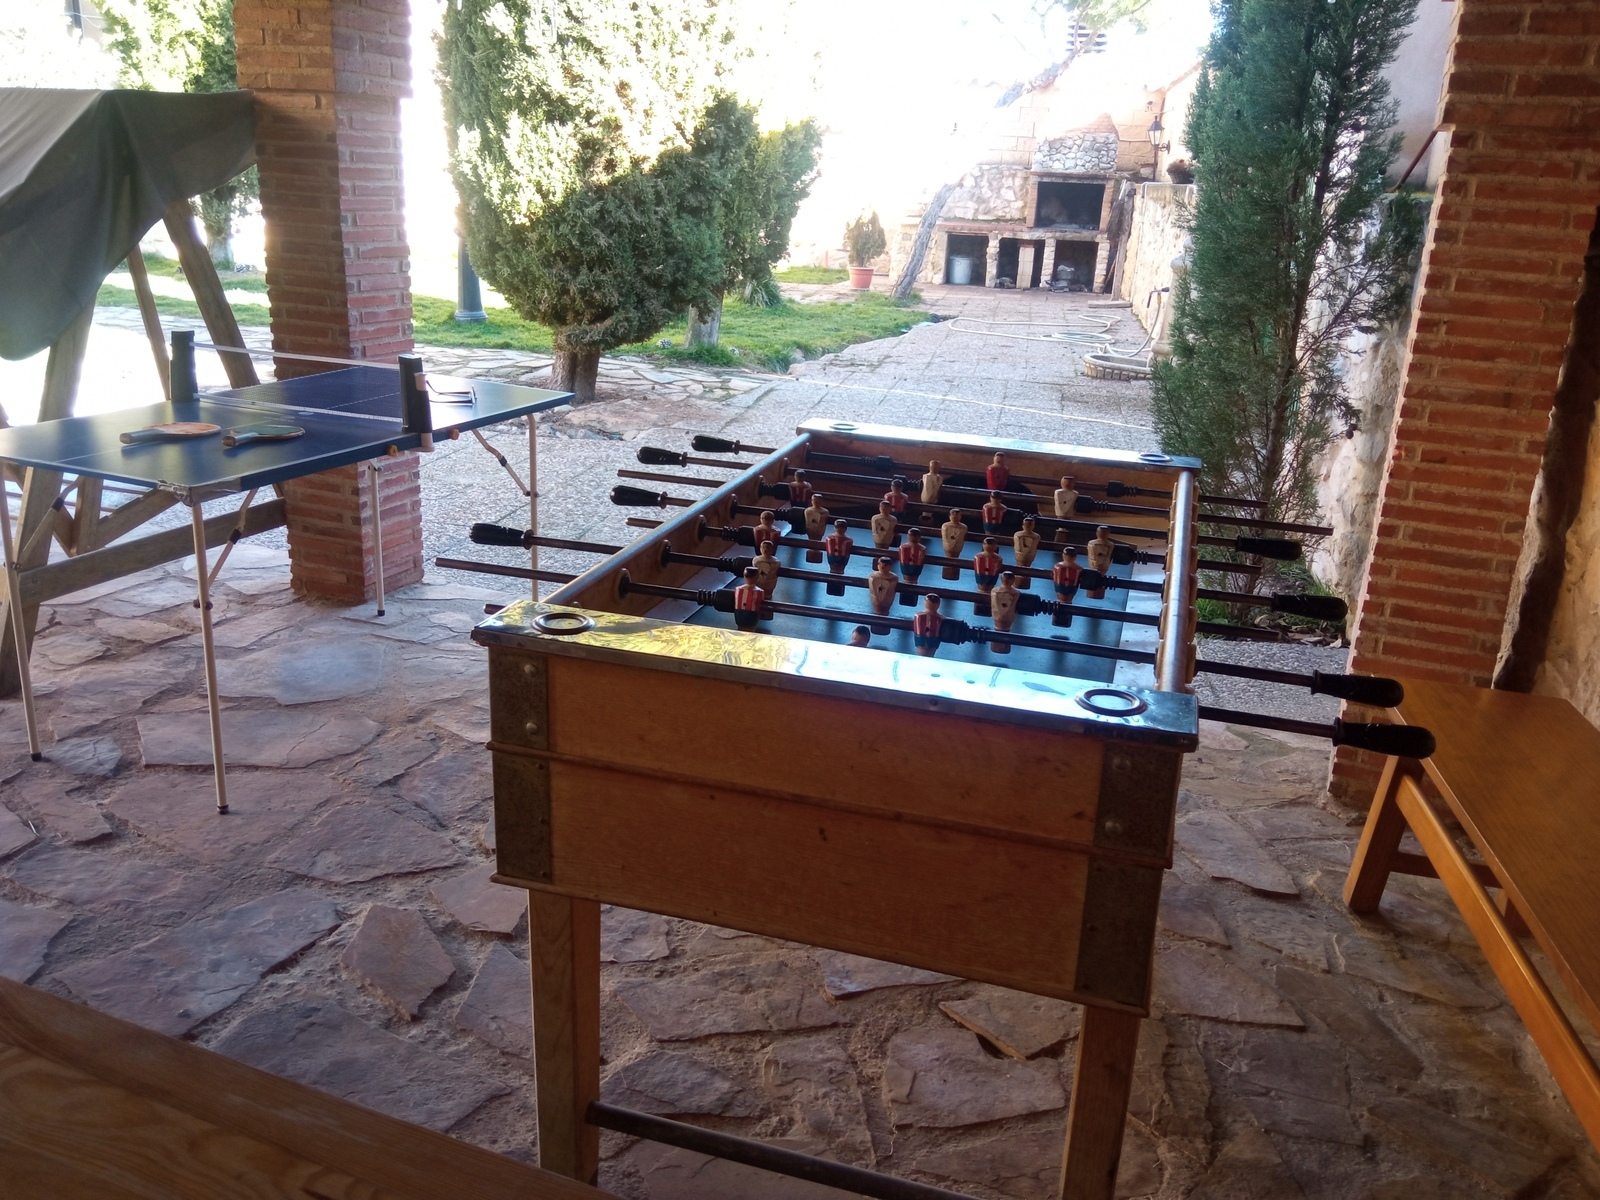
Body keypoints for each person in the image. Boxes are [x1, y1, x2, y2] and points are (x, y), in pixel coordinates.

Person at [990, 571, 1021, 652]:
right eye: (1005, 580)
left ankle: (1000, 645)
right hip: (1005, 619)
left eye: (1008, 580)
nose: (1006, 582)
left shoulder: (995, 591)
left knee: (1001, 628)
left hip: (1006, 619)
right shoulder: (1015, 593)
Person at [1052, 548, 1081, 627]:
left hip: (1067, 590)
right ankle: (1063, 618)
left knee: (1064, 601)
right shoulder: (1078, 569)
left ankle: (1061, 618)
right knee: (1064, 601)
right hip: (1067, 590)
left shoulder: (1057, 567)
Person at [824, 519, 853, 596]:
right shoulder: (830, 539)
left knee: (838, 571)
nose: (840, 529)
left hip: (841, 561)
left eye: (842, 527)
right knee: (835, 571)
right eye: (838, 527)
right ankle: (834, 587)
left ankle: (836, 587)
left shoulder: (848, 541)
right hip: (834, 560)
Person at [1012, 515, 1042, 588]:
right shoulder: (1018, 535)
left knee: (1023, 568)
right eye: (1027, 525)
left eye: (1029, 525)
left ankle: (1021, 578)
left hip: (1027, 557)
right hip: (1024, 557)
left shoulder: (1035, 537)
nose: (1028, 526)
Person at [1086, 525, 1114, 599]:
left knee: (1098, 578)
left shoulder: (1091, 543)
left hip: (1099, 566)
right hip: (1101, 566)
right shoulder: (1110, 545)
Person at [940, 509, 968, 580]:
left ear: (960, 516)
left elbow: (961, 538)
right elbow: (946, 539)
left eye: (957, 515)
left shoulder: (963, 527)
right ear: (949, 516)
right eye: (953, 514)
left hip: (957, 548)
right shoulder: (945, 526)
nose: (955, 516)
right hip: (948, 548)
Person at [803, 495, 830, 562]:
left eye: (818, 501)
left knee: (817, 542)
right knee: (812, 542)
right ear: (811, 501)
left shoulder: (825, 512)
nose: (816, 502)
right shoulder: (808, 511)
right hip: (811, 530)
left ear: (821, 502)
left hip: (820, 530)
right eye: (814, 500)